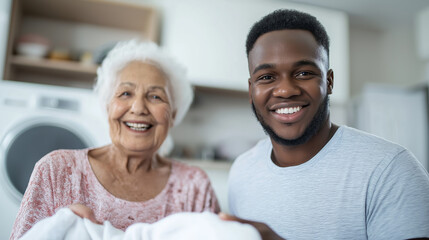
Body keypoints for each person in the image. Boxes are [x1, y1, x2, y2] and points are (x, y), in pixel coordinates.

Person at [220, 9, 429, 240]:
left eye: (303, 73)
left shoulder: (391, 171)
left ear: (329, 81)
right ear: (251, 90)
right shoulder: (241, 171)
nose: (286, 90)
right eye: (267, 77)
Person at [10, 39, 220, 240]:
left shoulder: (194, 186)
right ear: (107, 105)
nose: (138, 108)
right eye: (125, 93)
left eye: (155, 96)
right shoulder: (56, 171)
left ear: (173, 114)